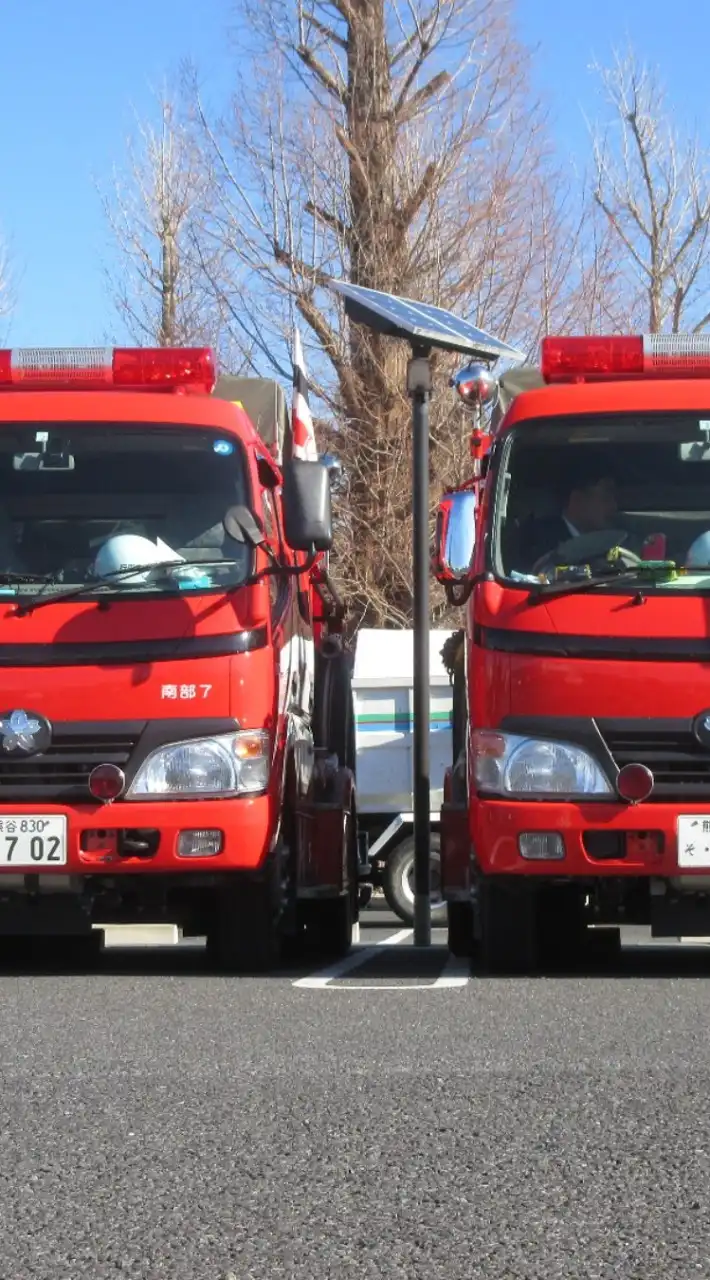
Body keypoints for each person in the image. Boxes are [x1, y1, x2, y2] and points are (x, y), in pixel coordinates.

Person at [516, 460, 620, 574]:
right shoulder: (538, 544)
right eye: (606, 497)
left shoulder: (615, 542)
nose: (614, 506)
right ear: (577, 500)